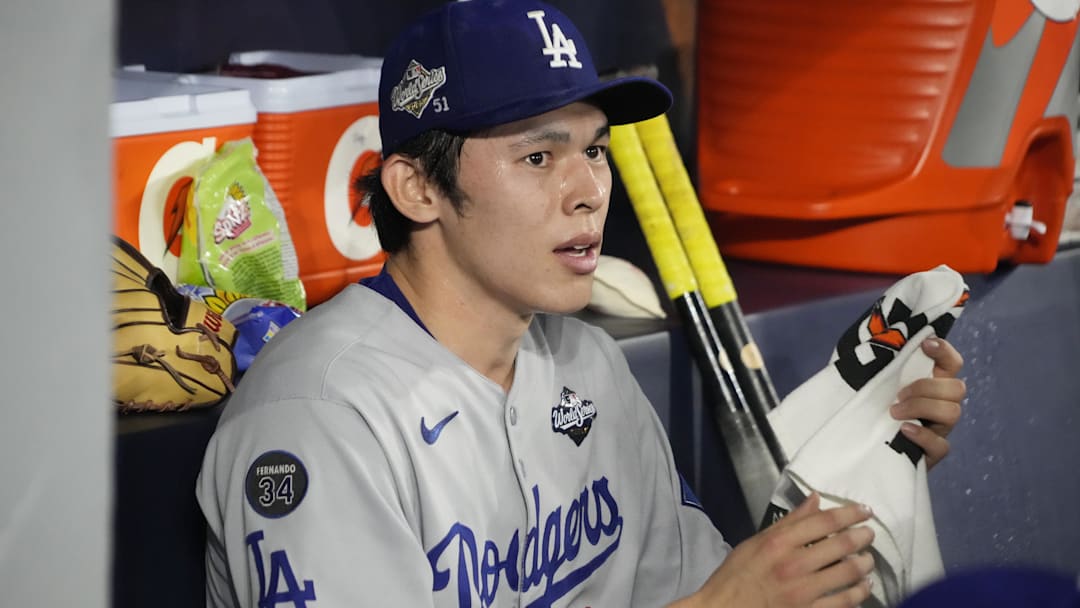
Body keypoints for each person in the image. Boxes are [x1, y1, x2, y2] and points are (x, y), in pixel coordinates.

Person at [196, 1, 967, 606]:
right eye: (539, 155)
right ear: (418, 188)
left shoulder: (585, 361)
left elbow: (690, 584)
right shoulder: (321, 415)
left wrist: (862, 469)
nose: (591, 190)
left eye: (595, 149)